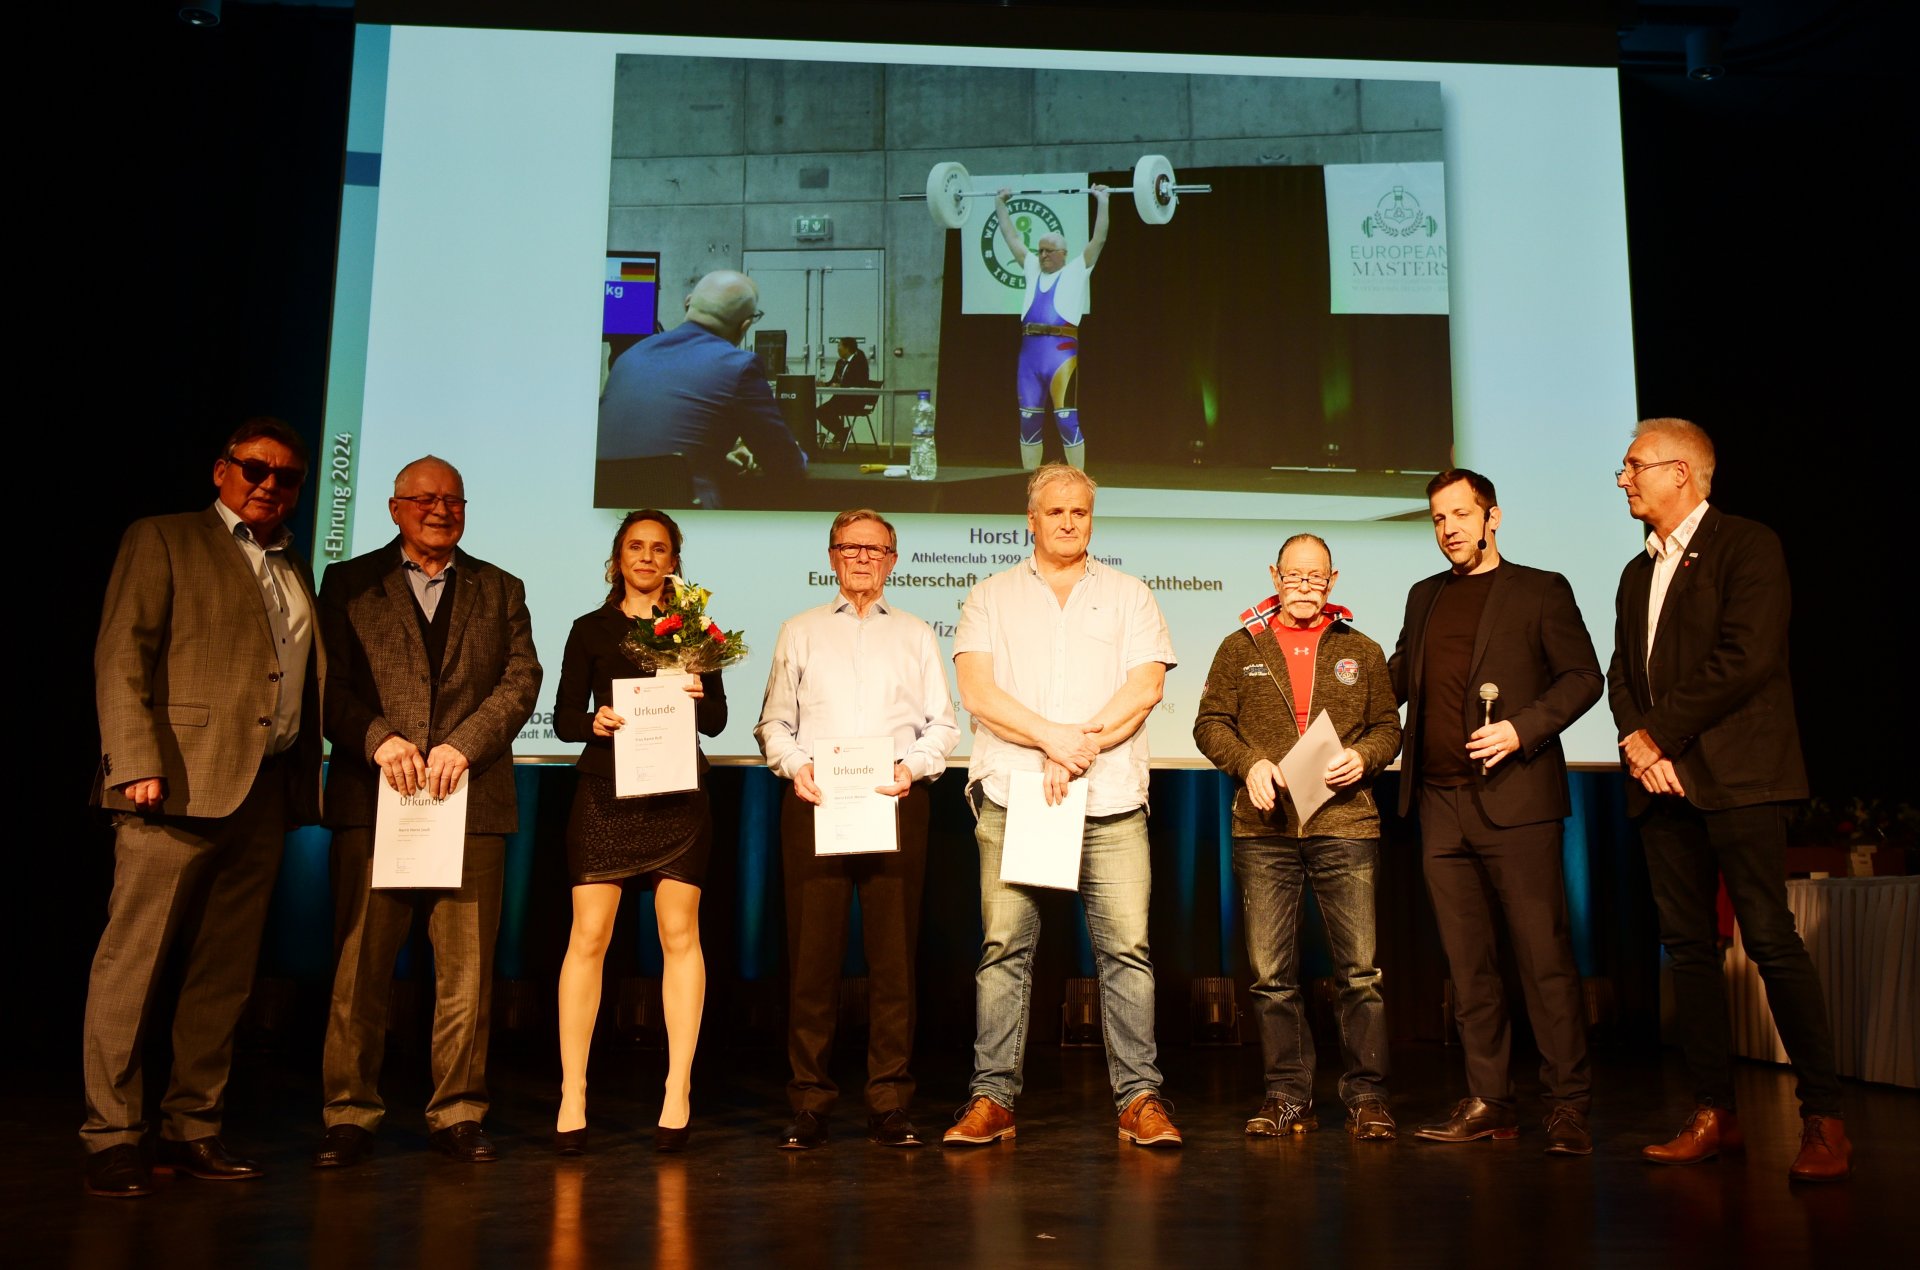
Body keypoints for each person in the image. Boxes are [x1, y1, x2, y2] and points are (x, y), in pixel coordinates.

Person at [81, 418, 325, 1198]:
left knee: (223, 975)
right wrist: (137, 763)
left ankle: (193, 1126)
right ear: (221, 470)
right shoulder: (163, 538)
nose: (268, 485)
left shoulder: (295, 566)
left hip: (262, 792)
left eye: (286, 477)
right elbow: (122, 653)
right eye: (254, 469)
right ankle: (112, 1133)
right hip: (172, 787)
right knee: (134, 964)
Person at [1608, 418, 1850, 1182]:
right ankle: (1714, 1112)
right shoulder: (1634, 572)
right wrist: (1635, 743)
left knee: (1770, 941)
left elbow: (1743, 659)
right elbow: (1623, 675)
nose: (1623, 479)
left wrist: (1657, 737)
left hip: (1740, 779)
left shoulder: (1748, 546)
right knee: (1688, 953)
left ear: (1682, 472)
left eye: (1634, 465)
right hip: (1663, 788)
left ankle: (1824, 1120)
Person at [311, 456, 541, 1168]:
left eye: (452, 500)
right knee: (360, 968)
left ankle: (458, 1112)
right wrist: (380, 740)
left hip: (469, 804)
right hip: (375, 800)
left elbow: (522, 678)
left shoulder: (501, 587)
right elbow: (328, 683)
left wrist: (464, 747)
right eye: (424, 499)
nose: (440, 510)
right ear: (392, 508)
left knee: (466, 976)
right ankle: (350, 1111)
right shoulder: (348, 583)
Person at [944, 463, 1180, 1148]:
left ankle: (1140, 1099)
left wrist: (1078, 748)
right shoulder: (989, 596)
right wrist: (1052, 739)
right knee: (1004, 950)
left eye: (1080, 511)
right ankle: (992, 1099)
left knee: (1127, 953)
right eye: (1056, 512)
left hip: (1107, 798)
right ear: (1031, 518)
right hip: (1017, 796)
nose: (1069, 521)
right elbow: (978, 692)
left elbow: (1143, 689)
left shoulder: (1131, 595)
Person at [1388, 469, 1603, 1155]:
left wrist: (1522, 729)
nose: (1449, 527)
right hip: (1440, 806)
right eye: (1437, 518)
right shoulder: (1425, 597)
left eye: (1460, 514)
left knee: (1544, 959)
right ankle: (1491, 1101)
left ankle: (1567, 1105)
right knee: (1469, 964)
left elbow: (1582, 677)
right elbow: (1395, 677)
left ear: (1492, 517)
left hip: (1518, 804)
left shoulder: (1541, 589)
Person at [755, 510, 960, 1150]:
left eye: (875, 548)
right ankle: (810, 1101)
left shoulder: (918, 635)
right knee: (811, 961)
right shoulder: (801, 630)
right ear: (832, 556)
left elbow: (944, 730)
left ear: (893, 559)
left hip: (895, 803)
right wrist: (797, 767)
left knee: (893, 962)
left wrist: (911, 767)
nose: (862, 558)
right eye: (850, 547)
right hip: (816, 804)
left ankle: (889, 1101)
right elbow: (772, 725)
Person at [1193, 534, 1401, 1141]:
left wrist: (1365, 757)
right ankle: (1287, 1095)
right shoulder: (1242, 646)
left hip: (1346, 824)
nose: (1305, 588)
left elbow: (1390, 729)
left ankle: (1367, 1096)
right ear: (1274, 576)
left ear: (1333, 580)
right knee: (1270, 975)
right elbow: (1210, 724)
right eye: (1293, 577)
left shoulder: (1361, 650)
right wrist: (1249, 762)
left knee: (1359, 972)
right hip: (1265, 830)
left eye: (1315, 578)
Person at [551, 510, 725, 1154]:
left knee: (680, 936)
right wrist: (595, 720)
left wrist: (701, 692)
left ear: (673, 560)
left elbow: (719, 721)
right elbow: (566, 716)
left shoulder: (695, 627)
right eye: (635, 546)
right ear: (618, 556)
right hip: (605, 795)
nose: (647, 557)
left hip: (679, 798)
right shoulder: (589, 629)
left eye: (659, 549)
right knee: (589, 938)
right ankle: (574, 1092)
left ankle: (676, 1088)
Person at [597, 269, 808, 507]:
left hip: (612, 511)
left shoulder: (629, 357)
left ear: (688, 304)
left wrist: (709, 458)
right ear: (745, 325)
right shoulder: (739, 365)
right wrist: (797, 453)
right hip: (684, 520)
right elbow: (785, 466)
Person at [993, 185, 1110, 471]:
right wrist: (1000, 204)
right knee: (1028, 420)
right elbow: (1011, 237)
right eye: (1040, 250)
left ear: (1063, 253)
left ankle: (1079, 483)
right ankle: (1030, 484)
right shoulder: (1032, 268)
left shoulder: (1077, 269)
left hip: (1061, 355)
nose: (1043, 255)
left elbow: (1099, 238)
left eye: (1048, 251)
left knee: (1066, 419)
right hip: (1030, 355)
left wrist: (1103, 202)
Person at [814, 337, 873, 449]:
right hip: (840, 399)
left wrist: (842, 386)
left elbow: (860, 382)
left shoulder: (859, 362)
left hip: (854, 400)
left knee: (823, 411)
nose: (838, 349)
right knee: (820, 411)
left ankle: (841, 433)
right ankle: (842, 432)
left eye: (839, 346)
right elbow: (834, 381)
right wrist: (824, 384)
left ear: (847, 348)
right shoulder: (840, 363)